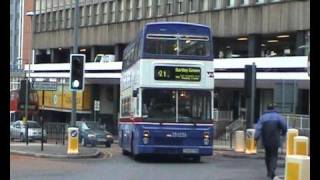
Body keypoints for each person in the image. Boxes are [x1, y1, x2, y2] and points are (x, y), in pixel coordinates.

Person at [254, 104, 287, 179]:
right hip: (275, 139)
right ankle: (272, 171)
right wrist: (283, 133)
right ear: (274, 108)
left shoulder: (262, 117)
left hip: (266, 140)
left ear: (267, 109)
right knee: (274, 155)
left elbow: (258, 128)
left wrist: (256, 138)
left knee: (267, 155)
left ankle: (269, 171)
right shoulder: (278, 116)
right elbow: (284, 126)